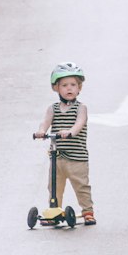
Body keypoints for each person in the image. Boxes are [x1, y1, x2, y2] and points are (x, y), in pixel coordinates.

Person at [33, 63, 95, 225]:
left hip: (77, 158)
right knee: (54, 187)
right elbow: (45, 123)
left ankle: (87, 211)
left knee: (81, 186)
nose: (69, 89)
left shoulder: (81, 108)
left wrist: (70, 132)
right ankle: (54, 212)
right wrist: (41, 131)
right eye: (64, 85)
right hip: (57, 157)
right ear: (56, 88)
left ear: (79, 88)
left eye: (73, 85)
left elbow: (79, 124)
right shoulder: (52, 108)